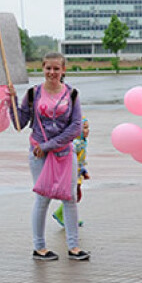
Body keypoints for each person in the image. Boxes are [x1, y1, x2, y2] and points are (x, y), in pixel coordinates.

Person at [5, 52, 90, 261]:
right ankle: (39, 247)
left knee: (69, 198)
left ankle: (73, 247)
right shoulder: (33, 94)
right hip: (38, 155)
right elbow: (19, 124)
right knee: (43, 198)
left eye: (56, 68)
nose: (52, 72)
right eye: (48, 68)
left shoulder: (72, 95)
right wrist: (11, 101)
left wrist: (49, 145)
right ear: (42, 68)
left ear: (63, 70)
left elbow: (75, 127)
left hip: (63, 153)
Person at [53, 117, 90, 227]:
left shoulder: (83, 142)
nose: (87, 130)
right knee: (73, 196)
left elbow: (81, 160)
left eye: (88, 128)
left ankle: (67, 216)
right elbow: (71, 159)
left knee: (75, 196)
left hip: (78, 173)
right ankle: (61, 214)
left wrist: (84, 171)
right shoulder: (76, 143)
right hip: (72, 173)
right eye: (84, 128)